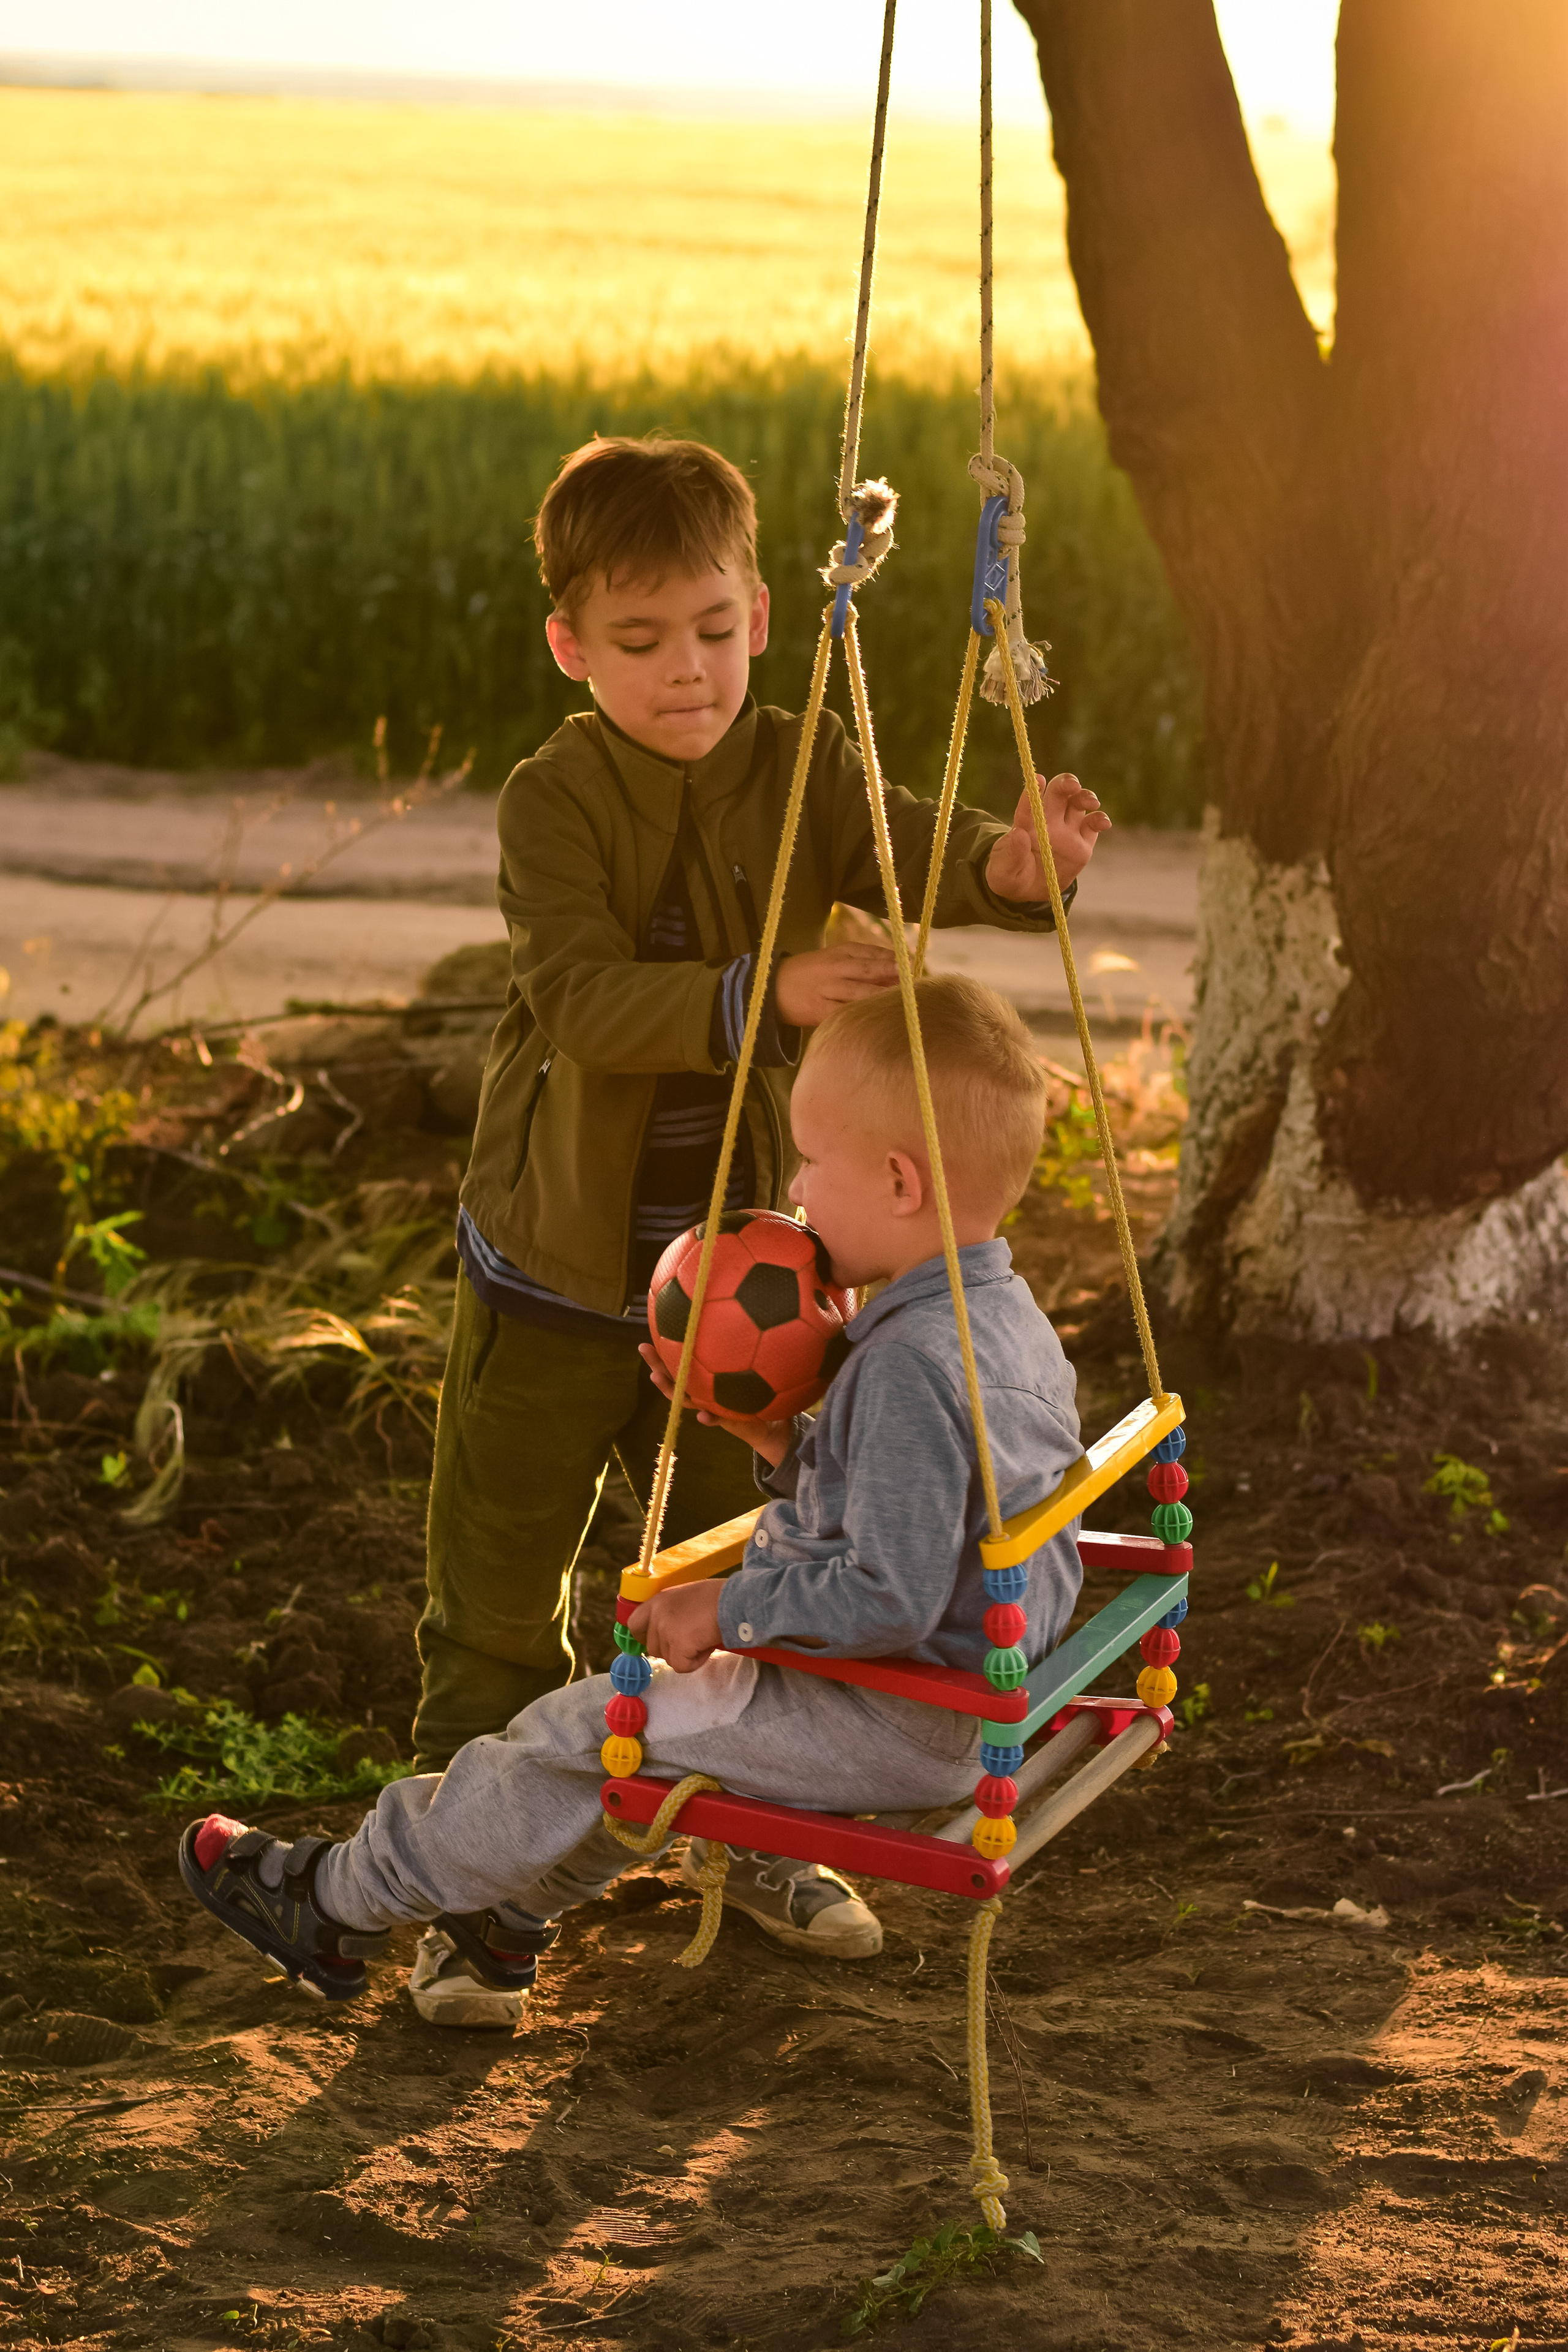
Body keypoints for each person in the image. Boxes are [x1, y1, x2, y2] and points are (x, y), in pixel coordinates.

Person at [409, 432, 1108, 2018]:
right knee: (498, 1596)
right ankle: (479, 1895)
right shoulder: (551, 801)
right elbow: (579, 1000)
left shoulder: (802, 760)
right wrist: (765, 992)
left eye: (716, 630)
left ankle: (771, 1829)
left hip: (762, 1294)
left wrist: (1007, 866)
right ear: (571, 646)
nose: (687, 670)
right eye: (641, 640)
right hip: (560, 1272)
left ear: (762, 620)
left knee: (786, 1555)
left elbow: (903, 836)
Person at [178, 976, 1087, 2016]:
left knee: (581, 1730)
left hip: (890, 1713)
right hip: (947, 1703)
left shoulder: (908, 1367)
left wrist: (726, 1609)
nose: (795, 1189)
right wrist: (778, 1444)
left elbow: (891, 1592)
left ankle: (335, 1897)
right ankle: (505, 1913)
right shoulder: (1002, 1319)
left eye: (811, 1161)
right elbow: (938, 1518)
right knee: (638, 1748)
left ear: (897, 1181)